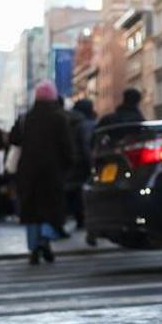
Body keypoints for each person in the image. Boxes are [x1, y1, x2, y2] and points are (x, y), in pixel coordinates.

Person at [12, 80, 74, 265]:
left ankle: (34, 247)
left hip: (28, 170)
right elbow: (67, 146)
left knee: (31, 210)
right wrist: (68, 165)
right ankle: (44, 239)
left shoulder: (25, 118)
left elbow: (14, 139)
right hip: (52, 171)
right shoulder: (59, 117)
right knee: (51, 208)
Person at [66, 98, 98, 230]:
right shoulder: (85, 124)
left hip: (71, 161)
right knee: (83, 193)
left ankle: (79, 219)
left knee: (74, 192)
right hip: (82, 164)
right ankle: (85, 221)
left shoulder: (68, 120)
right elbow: (87, 145)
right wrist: (93, 164)